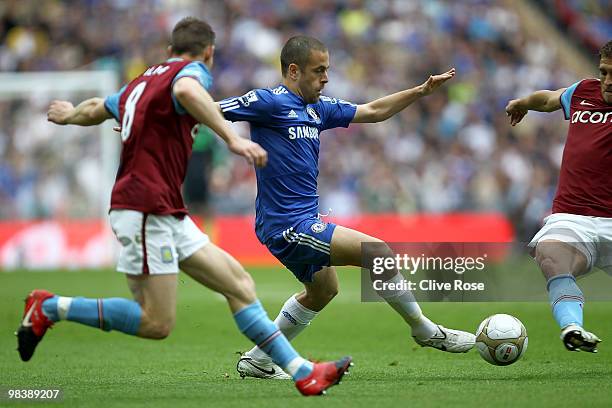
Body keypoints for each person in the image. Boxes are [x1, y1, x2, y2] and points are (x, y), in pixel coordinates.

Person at [16, 18, 351, 396]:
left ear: (170, 49)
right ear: (208, 52)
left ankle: (303, 373)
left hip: (165, 208)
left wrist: (70, 114)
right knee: (156, 322)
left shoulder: (143, 81)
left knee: (238, 284)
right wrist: (233, 139)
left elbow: (100, 105)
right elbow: (189, 92)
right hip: (143, 208)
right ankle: (50, 307)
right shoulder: (192, 73)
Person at [216, 36, 475, 380]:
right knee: (377, 252)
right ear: (293, 71)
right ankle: (423, 329)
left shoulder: (317, 108)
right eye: (318, 70)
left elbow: (372, 111)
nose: (325, 78)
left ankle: (258, 360)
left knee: (323, 291)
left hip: (303, 219)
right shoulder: (268, 102)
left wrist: (419, 92)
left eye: (327, 70)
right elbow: (208, 107)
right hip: (286, 225)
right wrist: (149, 122)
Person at [505, 40, 612, 353]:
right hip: (572, 216)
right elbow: (549, 99)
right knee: (551, 256)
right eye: (604, 72)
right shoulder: (583, 92)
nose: (608, 81)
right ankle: (572, 327)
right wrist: (524, 103)